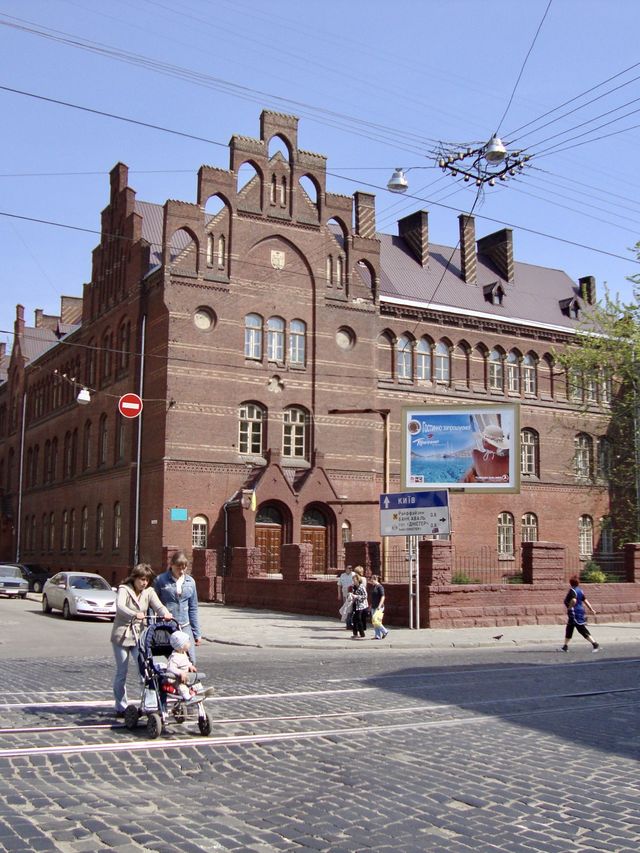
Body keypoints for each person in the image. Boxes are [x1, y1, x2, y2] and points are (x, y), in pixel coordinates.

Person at [111, 563, 171, 717]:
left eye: (147, 580)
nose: (144, 583)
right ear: (135, 578)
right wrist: (133, 614)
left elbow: (158, 606)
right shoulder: (124, 589)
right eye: (142, 579)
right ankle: (120, 706)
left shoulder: (149, 592)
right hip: (122, 635)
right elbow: (120, 606)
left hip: (140, 636)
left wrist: (166, 613)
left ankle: (148, 704)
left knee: (145, 671)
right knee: (121, 672)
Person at [154, 551, 202, 662]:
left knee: (191, 659)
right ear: (171, 565)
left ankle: (186, 678)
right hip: (166, 625)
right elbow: (152, 604)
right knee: (173, 659)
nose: (181, 571)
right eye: (178, 568)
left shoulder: (190, 582)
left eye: (184, 568)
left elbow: (193, 608)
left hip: (184, 625)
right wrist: (152, 626)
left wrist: (197, 633)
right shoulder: (160, 580)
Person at [562, 575, 600, 652]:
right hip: (579, 611)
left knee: (581, 629)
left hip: (574, 613)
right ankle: (565, 646)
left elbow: (574, 600)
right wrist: (591, 609)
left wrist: (569, 607)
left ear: (570, 583)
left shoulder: (572, 591)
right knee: (569, 628)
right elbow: (585, 600)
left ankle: (595, 644)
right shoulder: (580, 591)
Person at [166, 630, 199, 702]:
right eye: (187, 642)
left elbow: (186, 662)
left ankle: (199, 691)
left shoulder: (183, 653)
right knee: (182, 687)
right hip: (177, 680)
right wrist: (180, 672)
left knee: (196, 682)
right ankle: (188, 698)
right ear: (181, 646)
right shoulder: (175, 657)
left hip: (186, 678)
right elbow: (170, 668)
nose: (190, 644)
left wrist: (190, 666)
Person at [370, 573, 389, 640]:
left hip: (379, 607)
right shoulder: (373, 587)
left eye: (372, 581)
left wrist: (379, 605)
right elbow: (373, 597)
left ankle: (385, 631)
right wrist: (371, 605)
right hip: (373, 606)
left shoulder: (380, 587)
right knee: (374, 621)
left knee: (376, 620)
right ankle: (377, 635)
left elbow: (383, 596)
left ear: (376, 580)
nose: (371, 582)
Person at [351, 572, 368, 639]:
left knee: (358, 619)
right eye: (353, 580)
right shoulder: (354, 587)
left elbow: (365, 596)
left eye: (354, 580)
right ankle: (355, 634)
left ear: (358, 580)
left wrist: (356, 596)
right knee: (354, 619)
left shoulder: (361, 587)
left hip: (361, 606)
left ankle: (362, 633)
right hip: (355, 605)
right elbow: (352, 594)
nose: (353, 581)